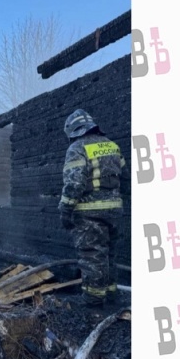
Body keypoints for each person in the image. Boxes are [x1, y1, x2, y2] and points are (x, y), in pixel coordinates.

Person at [57, 109, 126, 306]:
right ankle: (111, 294)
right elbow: (126, 176)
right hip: (114, 210)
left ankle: (94, 301)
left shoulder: (77, 148)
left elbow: (74, 183)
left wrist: (66, 209)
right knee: (109, 254)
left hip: (89, 213)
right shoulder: (112, 145)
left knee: (92, 255)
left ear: (73, 129)